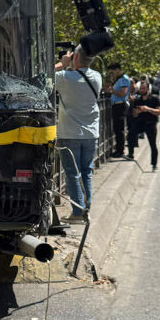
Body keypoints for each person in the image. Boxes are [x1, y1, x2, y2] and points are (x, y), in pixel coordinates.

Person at [54, 40, 102, 223]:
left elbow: (42, 77)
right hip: (91, 134)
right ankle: (85, 209)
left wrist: (62, 63)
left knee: (73, 173)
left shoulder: (65, 77)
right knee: (86, 172)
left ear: (74, 57)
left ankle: (77, 212)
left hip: (70, 133)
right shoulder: (97, 77)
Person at [128, 79, 160, 170]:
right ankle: (131, 154)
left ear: (148, 89)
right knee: (131, 133)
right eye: (141, 89)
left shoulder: (155, 99)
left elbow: (159, 112)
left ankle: (154, 164)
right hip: (140, 123)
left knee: (153, 144)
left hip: (151, 124)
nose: (142, 91)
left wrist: (148, 109)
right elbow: (134, 114)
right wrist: (138, 111)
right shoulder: (137, 100)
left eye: (144, 89)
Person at [108, 63, 131, 158]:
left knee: (119, 129)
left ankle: (120, 150)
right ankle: (118, 149)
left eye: (113, 72)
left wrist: (112, 91)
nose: (112, 75)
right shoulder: (119, 79)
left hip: (120, 106)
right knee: (116, 128)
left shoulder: (124, 79)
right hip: (116, 106)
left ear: (117, 69)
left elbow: (123, 93)